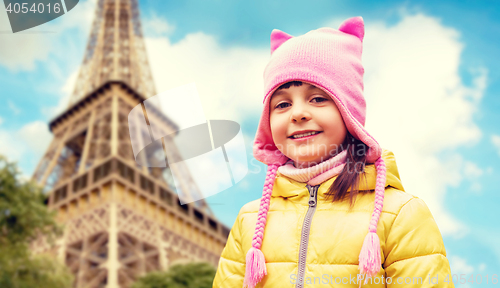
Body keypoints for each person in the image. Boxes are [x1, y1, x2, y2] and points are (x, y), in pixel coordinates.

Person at [212, 16, 454, 288]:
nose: (298, 113)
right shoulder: (250, 219)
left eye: (317, 98)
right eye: (281, 104)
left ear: (349, 113)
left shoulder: (401, 214)